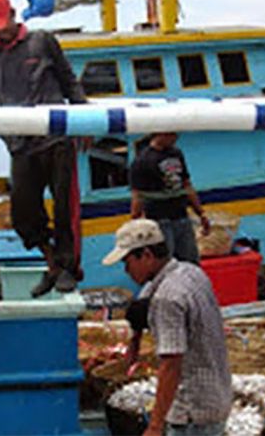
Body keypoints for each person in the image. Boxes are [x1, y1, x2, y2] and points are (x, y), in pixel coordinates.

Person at [0, 0, 87, 298]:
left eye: (2, 25)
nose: (0, 32)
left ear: (13, 15)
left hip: (55, 139)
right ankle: (52, 261)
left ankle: (69, 267)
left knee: (66, 208)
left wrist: (84, 119)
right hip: (20, 143)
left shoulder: (42, 42)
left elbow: (69, 82)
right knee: (24, 214)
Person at [103, 219, 232, 436]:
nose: (126, 270)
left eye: (127, 262)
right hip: (217, 396)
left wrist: (155, 426)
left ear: (146, 255)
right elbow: (143, 302)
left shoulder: (167, 299)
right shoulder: (189, 271)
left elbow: (171, 364)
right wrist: (135, 339)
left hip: (192, 411)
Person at [129, 131, 210, 265]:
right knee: (165, 264)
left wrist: (201, 213)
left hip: (181, 216)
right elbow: (137, 195)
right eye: (173, 134)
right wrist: (134, 222)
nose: (176, 137)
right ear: (161, 133)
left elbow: (187, 185)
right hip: (159, 220)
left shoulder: (176, 153)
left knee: (190, 263)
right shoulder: (142, 161)